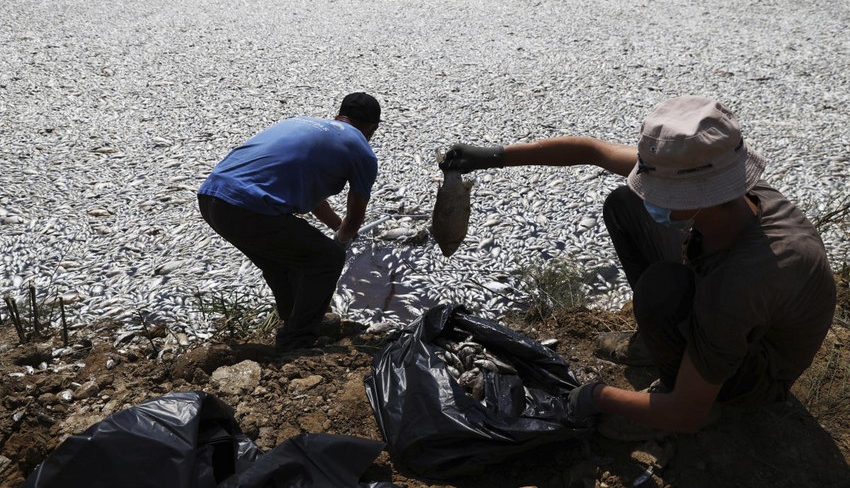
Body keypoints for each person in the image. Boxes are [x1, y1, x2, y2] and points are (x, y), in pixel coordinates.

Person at [440, 95, 836, 435]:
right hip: (737, 309)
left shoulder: (741, 283)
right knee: (626, 203)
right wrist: (491, 157)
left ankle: (696, 385)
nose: (653, 196)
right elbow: (591, 151)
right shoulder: (730, 189)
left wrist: (596, 396)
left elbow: (687, 416)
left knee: (661, 290)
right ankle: (667, 343)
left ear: (695, 194)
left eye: (661, 192)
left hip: (758, 375)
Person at [198, 92, 381, 352]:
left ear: (339, 115)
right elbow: (355, 218)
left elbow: (317, 201)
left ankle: (291, 322)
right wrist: (341, 240)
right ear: (373, 127)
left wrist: (335, 226)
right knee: (327, 259)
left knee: (281, 263)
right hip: (248, 209)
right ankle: (297, 344)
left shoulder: (303, 123)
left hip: (211, 198)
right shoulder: (362, 150)